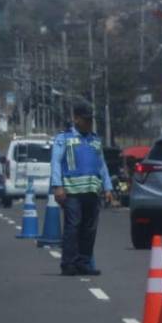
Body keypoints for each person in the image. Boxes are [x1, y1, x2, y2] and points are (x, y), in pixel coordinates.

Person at [51, 104, 113, 276]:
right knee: (73, 227)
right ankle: (68, 264)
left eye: (90, 120)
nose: (89, 123)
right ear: (76, 119)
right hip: (72, 192)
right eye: (86, 120)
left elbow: (102, 166)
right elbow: (56, 162)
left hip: (92, 192)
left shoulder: (94, 140)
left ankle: (84, 263)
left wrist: (108, 188)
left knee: (89, 229)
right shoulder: (64, 138)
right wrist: (57, 186)